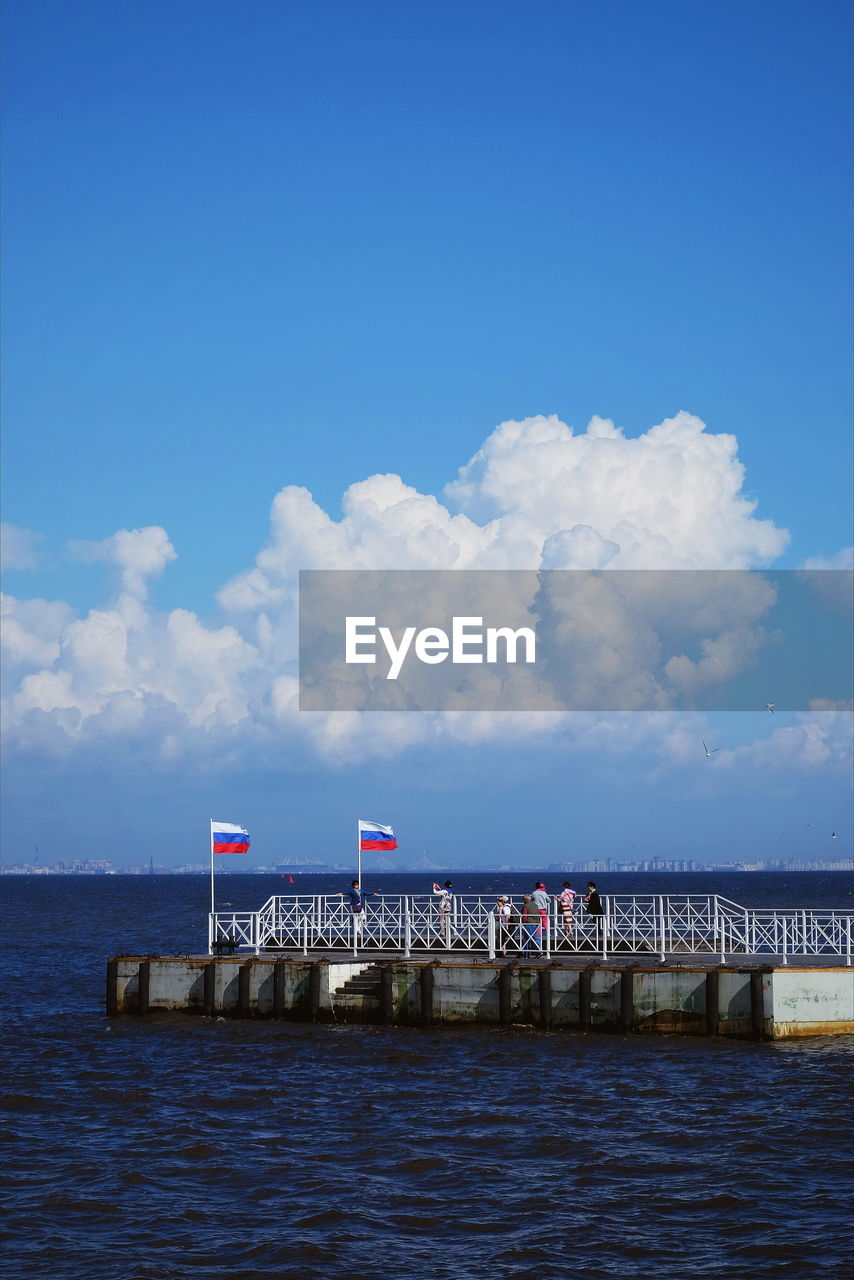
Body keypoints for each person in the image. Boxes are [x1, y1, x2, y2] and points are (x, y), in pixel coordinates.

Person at [583, 881, 604, 947]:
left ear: (592, 887)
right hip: (597, 910)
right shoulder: (592, 893)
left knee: (597, 922)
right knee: (597, 922)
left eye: (589, 886)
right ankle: (599, 933)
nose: (588, 888)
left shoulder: (594, 894)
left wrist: (588, 900)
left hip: (597, 911)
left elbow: (594, 902)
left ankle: (599, 933)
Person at [432, 880, 454, 945]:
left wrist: (434, 887)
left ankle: (442, 933)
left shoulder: (444, 891)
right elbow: (445, 895)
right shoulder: (451, 892)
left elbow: (435, 892)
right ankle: (448, 932)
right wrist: (439, 888)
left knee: (441, 920)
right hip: (448, 907)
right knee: (447, 920)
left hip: (442, 907)